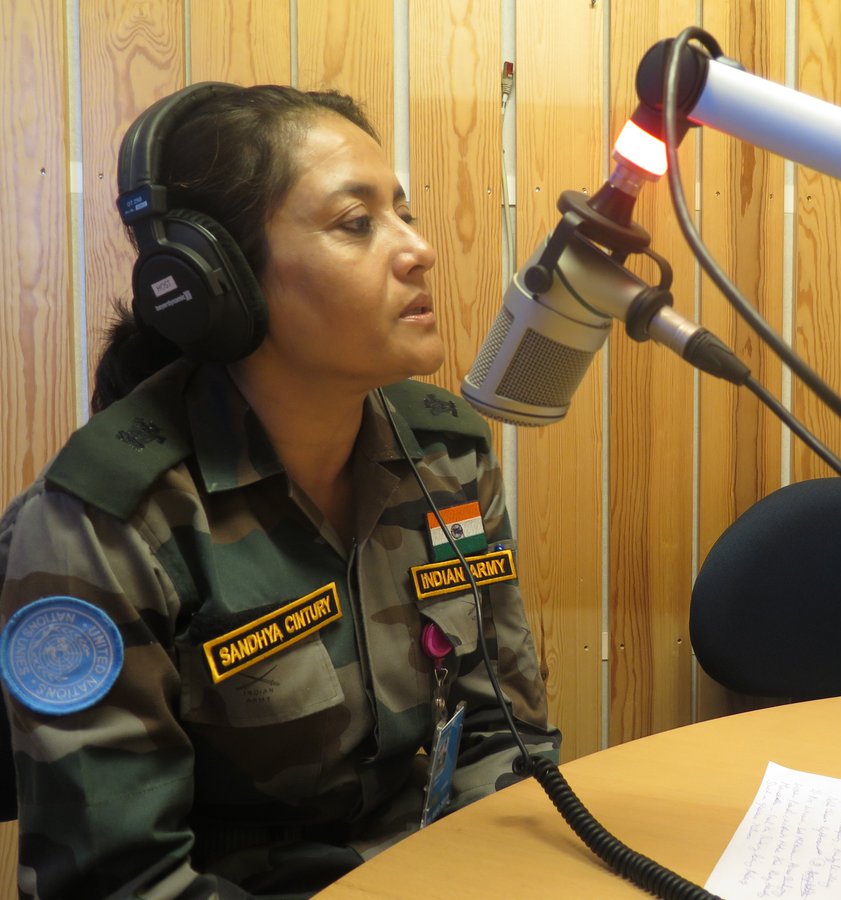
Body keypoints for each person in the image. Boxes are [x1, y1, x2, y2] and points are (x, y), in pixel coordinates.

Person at [0, 83, 560, 898]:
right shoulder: (104, 521)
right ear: (221, 279)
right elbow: (120, 881)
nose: (419, 249)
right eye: (357, 222)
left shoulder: (448, 453)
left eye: (404, 213)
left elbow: (503, 739)